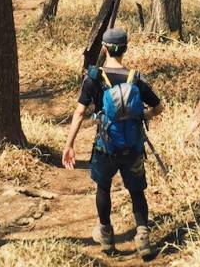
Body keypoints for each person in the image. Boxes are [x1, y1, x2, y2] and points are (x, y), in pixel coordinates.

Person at [62, 27, 164, 258]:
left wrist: (69, 145)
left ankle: (107, 236)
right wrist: (142, 116)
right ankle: (143, 238)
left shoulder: (95, 78)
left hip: (105, 147)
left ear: (105, 49)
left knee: (103, 187)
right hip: (133, 147)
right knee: (137, 192)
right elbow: (158, 107)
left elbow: (79, 113)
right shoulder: (135, 79)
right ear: (125, 49)